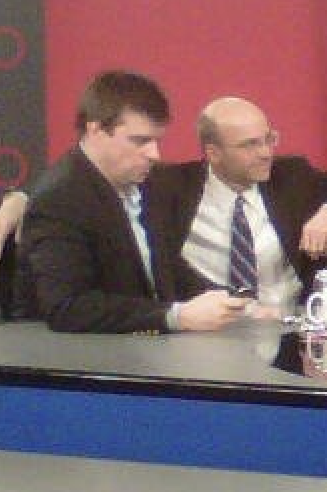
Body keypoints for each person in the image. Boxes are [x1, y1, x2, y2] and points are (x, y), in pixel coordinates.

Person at [0, 97, 327, 317]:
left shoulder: (293, 176)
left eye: (268, 138)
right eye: (249, 145)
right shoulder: (168, 186)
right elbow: (85, 180)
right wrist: (20, 198)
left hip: (289, 333)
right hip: (208, 337)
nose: (266, 152)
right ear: (212, 153)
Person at [19, 70, 250, 333]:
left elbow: (165, 267)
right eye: (139, 141)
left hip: (147, 351)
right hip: (86, 361)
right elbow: (69, 307)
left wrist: (233, 303)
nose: (154, 154)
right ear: (95, 129)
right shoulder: (59, 199)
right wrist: (176, 316)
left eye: (156, 141)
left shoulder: (146, 183)